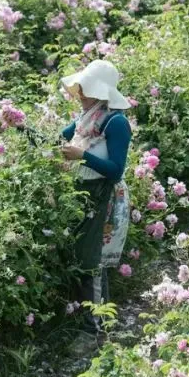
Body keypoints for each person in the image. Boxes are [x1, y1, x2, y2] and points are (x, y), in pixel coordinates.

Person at [59, 59, 133, 332]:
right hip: (82, 193)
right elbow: (59, 140)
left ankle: (95, 328)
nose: (79, 95)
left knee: (93, 260)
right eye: (79, 89)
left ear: (100, 92)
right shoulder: (86, 118)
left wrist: (82, 156)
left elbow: (115, 170)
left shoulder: (116, 123)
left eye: (85, 90)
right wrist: (19, 126)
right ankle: (89, 321)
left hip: (102, 195)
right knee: (81, 256)